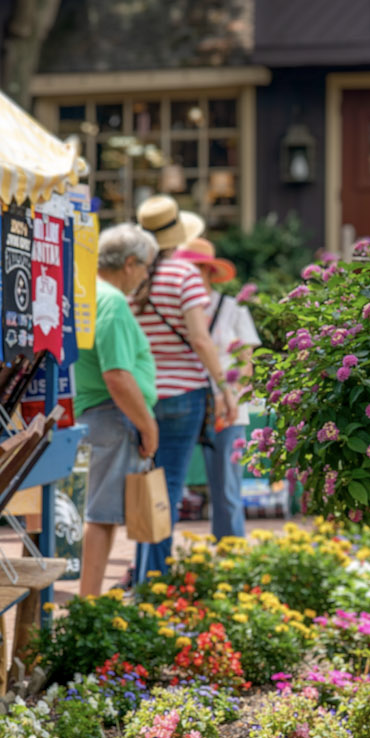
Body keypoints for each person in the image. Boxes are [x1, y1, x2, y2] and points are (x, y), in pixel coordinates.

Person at [128, 197, 239, 582]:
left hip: (139, 396)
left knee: (146, 486)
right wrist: (223, 387)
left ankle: (144, 573)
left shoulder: (132, 278)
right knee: (168, 489)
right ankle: (154, 580)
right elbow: (201, 340)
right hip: (184, 396)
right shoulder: (184, 275)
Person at [75, 223, 161, 597]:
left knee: (101, 513)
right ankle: (89, 606)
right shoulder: (111, 301)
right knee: (102, 516)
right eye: (146, 268)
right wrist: (148, 425)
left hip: (98, 412)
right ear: (130, 263)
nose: (145, 277)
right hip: (112, 414)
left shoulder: (88, 293)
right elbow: (118, 375)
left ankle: (89, 603)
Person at [177, 238, 260, 539]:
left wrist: (232, 396)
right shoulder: (176, 309)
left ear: (209, 272)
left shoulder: (233, 309)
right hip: (184, 399)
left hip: (227, 405)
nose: (188, 277)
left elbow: (246, 362)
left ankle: (231, 549)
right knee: (171, 483)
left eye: (194, 270)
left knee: (226, 485)